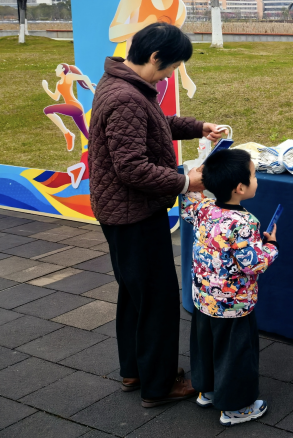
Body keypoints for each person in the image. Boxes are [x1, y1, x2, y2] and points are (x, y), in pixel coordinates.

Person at [89, 22, 223, 407]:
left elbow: (155, 126)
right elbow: (132, 167)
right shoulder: (127, 97)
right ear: (154, 57)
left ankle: (134, 369)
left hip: (121, 211)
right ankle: (159, 384)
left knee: (136, 295)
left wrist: (197, 127)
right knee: (158, 300)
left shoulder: (120, 83)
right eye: (172, 66)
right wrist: (186, 181)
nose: (169, 75)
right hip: (133, 214)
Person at [181, 149, 278, 426]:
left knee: (207, 347)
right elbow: (253, 264)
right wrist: (272, 247)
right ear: (240, 188)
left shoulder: (203, 210)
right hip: (234, 305)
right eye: (254, 176)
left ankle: (208, 391)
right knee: (235, 355)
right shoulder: (246, 223)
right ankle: (236, 407)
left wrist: (196, 177)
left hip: (204, 300)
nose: (257, 180)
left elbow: (189, 201)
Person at [109, 0, 196, 102]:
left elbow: (175, 49)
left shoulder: (178, 7)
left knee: (152, 113)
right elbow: (113, 33)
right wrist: (142, 25)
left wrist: (184, 77)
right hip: (134, 70)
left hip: (158, 74)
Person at [41, 63, 97, 151]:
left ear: (63, 69)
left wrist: (93, 91)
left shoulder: (68, 77)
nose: (55, 70)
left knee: (48, 110)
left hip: (75, 107)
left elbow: (85, 77)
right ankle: (99, 146)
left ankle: (67, 134)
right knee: (87, 135)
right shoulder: (58, 83)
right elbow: (56, 97)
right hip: (72, 109)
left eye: (57, 68)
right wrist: (46, 88)